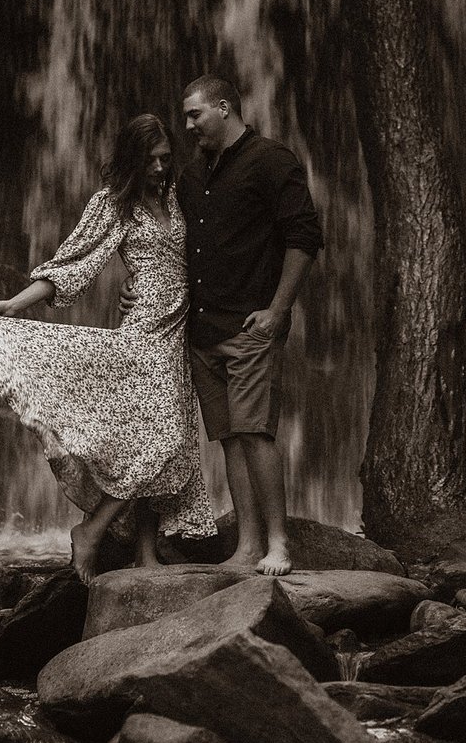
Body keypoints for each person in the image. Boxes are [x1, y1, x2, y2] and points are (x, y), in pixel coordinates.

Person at [0, 114, 216, 585]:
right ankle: (92, 530)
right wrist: (14, 303)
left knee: (163, 438)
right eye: (149, 160)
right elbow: (73, 264)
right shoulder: (115, 204)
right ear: (132, 159)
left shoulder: (179, 195)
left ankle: (145, 553)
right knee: (164, 437)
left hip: (182, 329)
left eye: (165, 159)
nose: (158, 168)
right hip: (145, 330)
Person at [123, 76, 323, 575]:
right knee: (231, 437)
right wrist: (132, 280)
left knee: (256, 433)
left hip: (251, 324)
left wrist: (278, 311)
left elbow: (304, 237)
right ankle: (248, 547)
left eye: (194, 115)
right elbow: (162, 239)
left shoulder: (272, 160)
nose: (187, 126)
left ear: (224, 107)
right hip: (202, 329)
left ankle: (279, 544)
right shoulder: (191, 177)